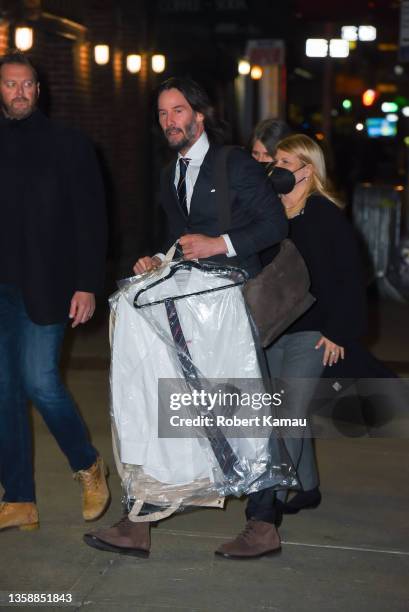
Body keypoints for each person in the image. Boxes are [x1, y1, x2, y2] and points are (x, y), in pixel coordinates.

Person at [84, 76, 289, 560]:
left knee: (241, 407)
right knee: (158, 397)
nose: (170, 121)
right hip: (188, 301)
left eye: (178, 111)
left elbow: (272, 224)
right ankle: (143, 516)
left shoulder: (233, 162)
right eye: (162, 113)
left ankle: (263, 524)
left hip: (229, 304)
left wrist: (220, 244)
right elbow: (180, 239)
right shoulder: (168, 174)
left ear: (199, 115)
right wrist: (158, 259)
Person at [0, 51, 110, 532]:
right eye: (9, 84)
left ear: (39, 90)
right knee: (2, 392)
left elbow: (91, 221)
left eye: (27, 84)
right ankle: (19, 498)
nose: (19, 92)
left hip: (47, 286)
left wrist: (87, 283)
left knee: (39, 382)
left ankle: (87, 464)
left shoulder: (69, 144)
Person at [265, 134, 367, 514]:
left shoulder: (323, 214)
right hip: (274, 329)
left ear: (307, 171)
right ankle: (307, 486)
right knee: (282, 411)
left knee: (287, 415)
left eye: (285, 163)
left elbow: (350, 276)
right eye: (275, 161)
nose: (276, 169)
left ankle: (268, 503)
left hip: (313, 332)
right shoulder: (273, 215)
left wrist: (339, 330)